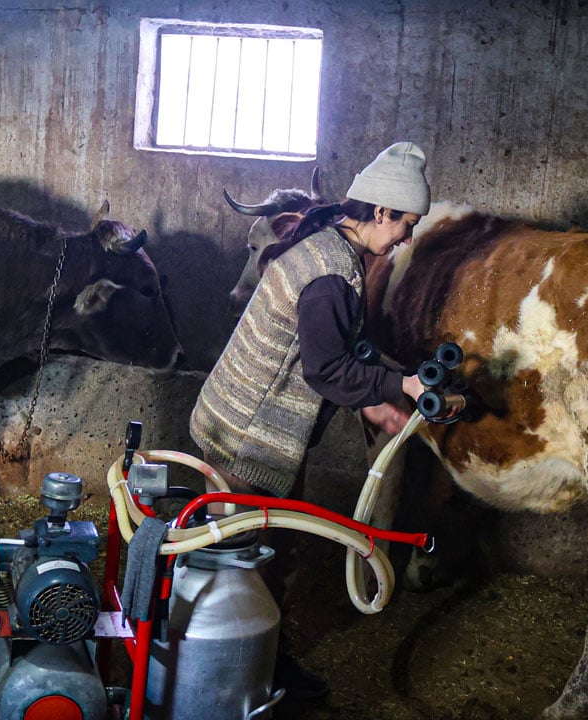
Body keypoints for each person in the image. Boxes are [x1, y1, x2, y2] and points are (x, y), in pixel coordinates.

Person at [189, 141, 432, 700]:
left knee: (255, 550)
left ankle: (259, 664)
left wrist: (385, 387)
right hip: (249, 436)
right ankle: (231, 679)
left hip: (245, 423)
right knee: (244, 559)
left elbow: (336, 354)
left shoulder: (328, 248)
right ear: (380, 212)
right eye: (406, 224)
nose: (407, 239)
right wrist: (399, 387)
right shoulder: (332, 275)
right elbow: (327, 369)